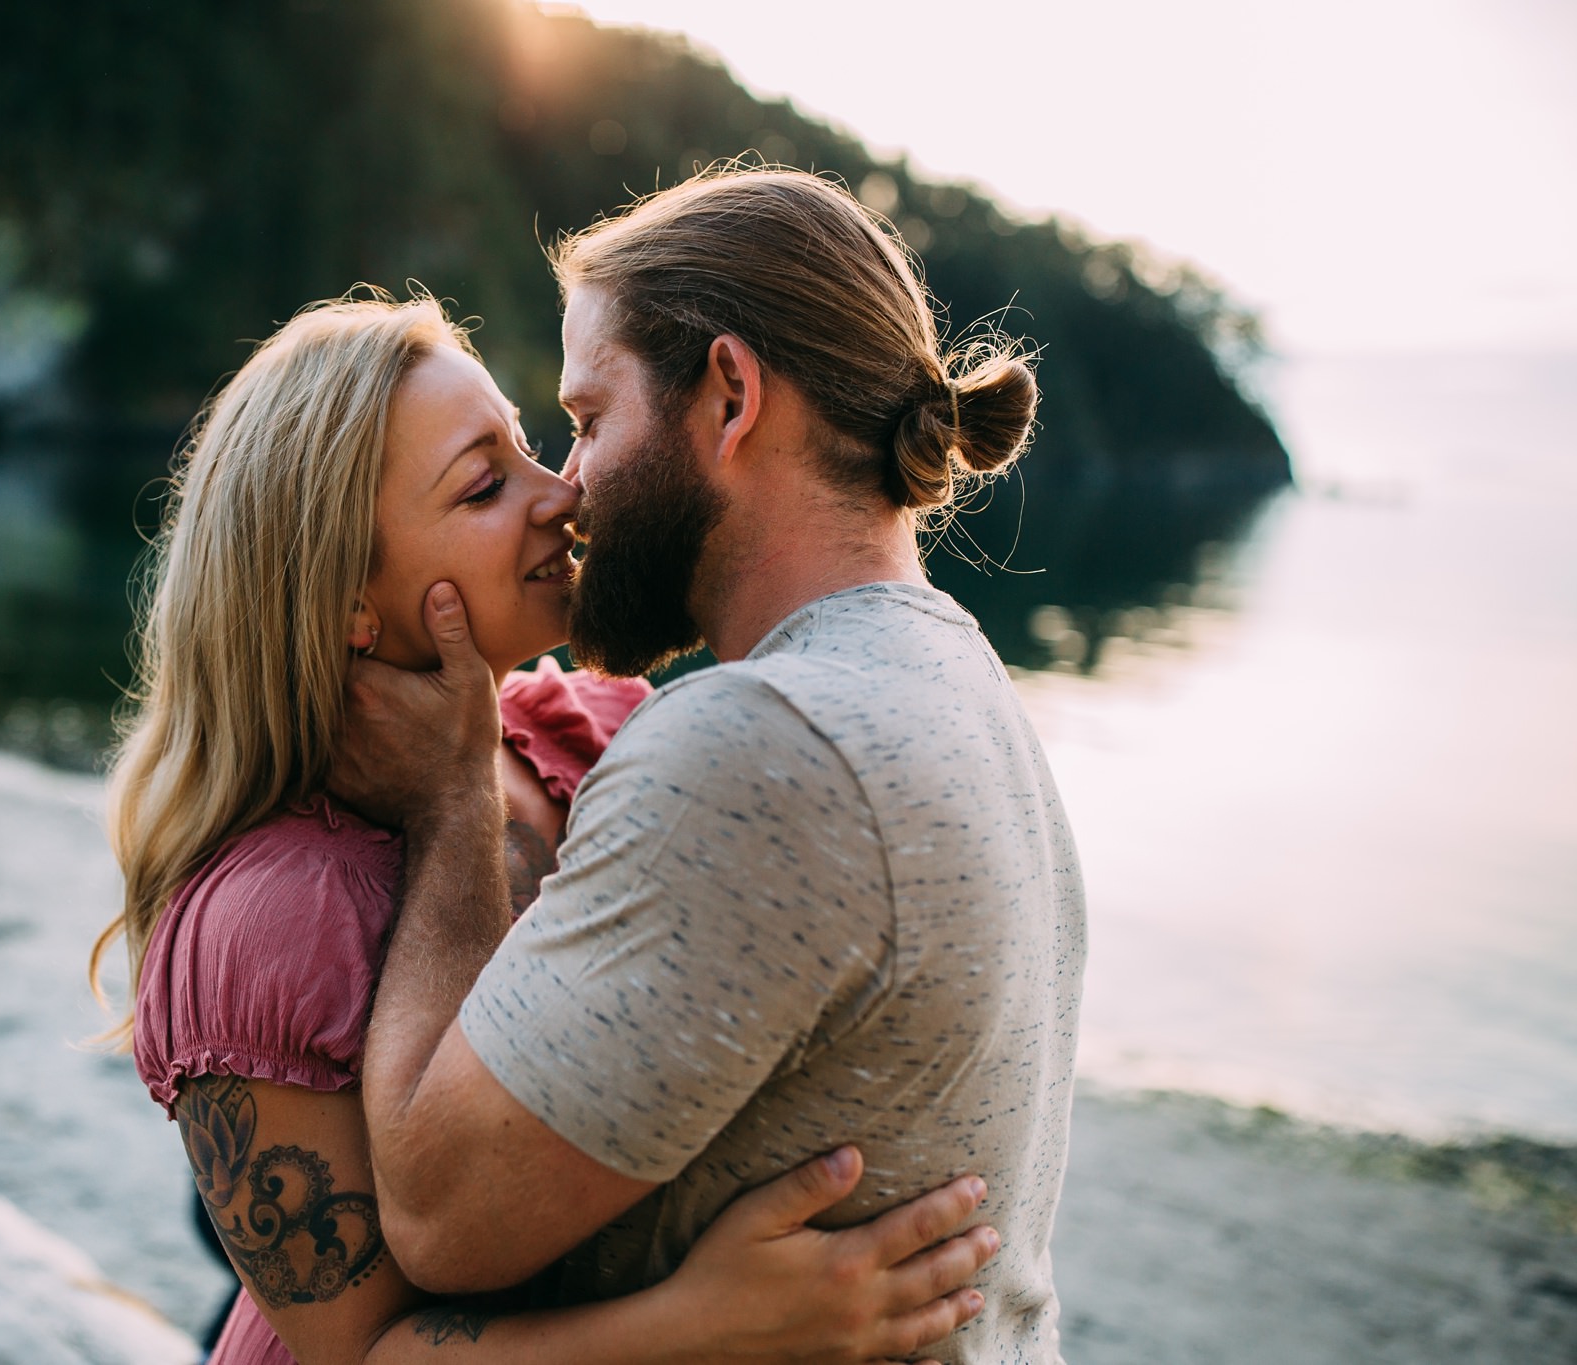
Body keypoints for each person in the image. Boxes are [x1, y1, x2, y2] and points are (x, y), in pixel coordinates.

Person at [91, 292, 1002, 1364]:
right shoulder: (264, 920)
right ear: (347, 597)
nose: (561, 492)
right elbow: (357, 1352)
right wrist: (714, 1324)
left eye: (531, 446)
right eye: (484, 485)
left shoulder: (593, 735)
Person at [332, 169, 1086, 1364]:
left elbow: (433, 1215)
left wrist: (446, 799)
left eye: (589, 420)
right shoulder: (961, 682)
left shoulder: (759, 743)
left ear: (728, 394)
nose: (568, 491)